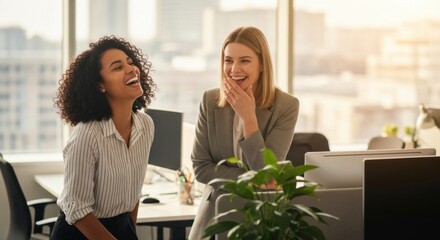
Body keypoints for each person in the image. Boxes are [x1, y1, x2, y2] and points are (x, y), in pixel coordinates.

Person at [188, 26, 300, 239]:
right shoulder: (210, 100)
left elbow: (268, 174)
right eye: (228, 60)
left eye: (245, 60)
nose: (234, 69)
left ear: (261, 65)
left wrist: (249, 118)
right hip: (213, 218)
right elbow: (201, 167)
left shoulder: (286, 106)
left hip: (260, 218)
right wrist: (252, 180)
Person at [51, 36, 156, 240]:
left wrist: (130, 231)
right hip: (81, 233)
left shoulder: (146, 125)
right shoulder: (87, 135)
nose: (131, 69)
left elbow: (134, 193)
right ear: (100, 85)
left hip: (122, 227)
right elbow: (77, 209)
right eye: (117, 67)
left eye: (131, 62)